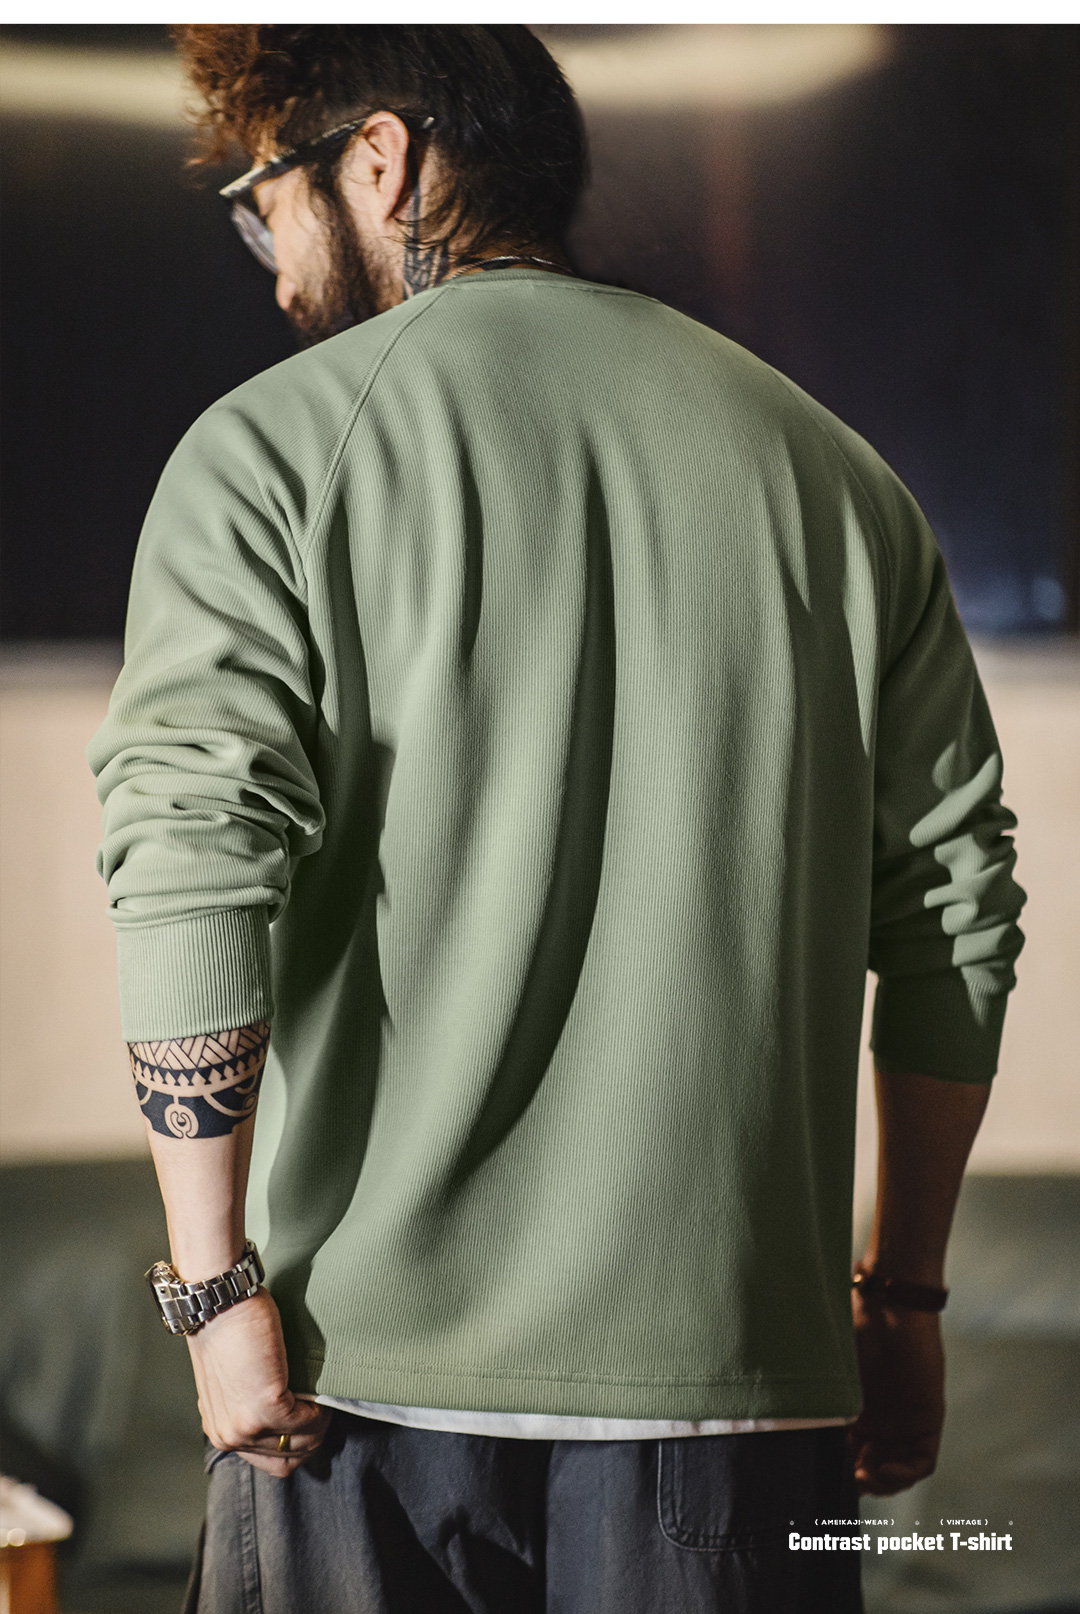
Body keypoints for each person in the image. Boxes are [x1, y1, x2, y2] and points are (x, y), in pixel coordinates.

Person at [87, 24, 1025, 1614]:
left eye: (268, 207)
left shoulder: (267, 455)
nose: (276, 270)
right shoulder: (839, 478)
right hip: (743, 1394)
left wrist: (213, 1282)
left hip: (356, 1394)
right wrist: (906, 1295)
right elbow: (955, 906)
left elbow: (191, 863)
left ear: (378, 159)